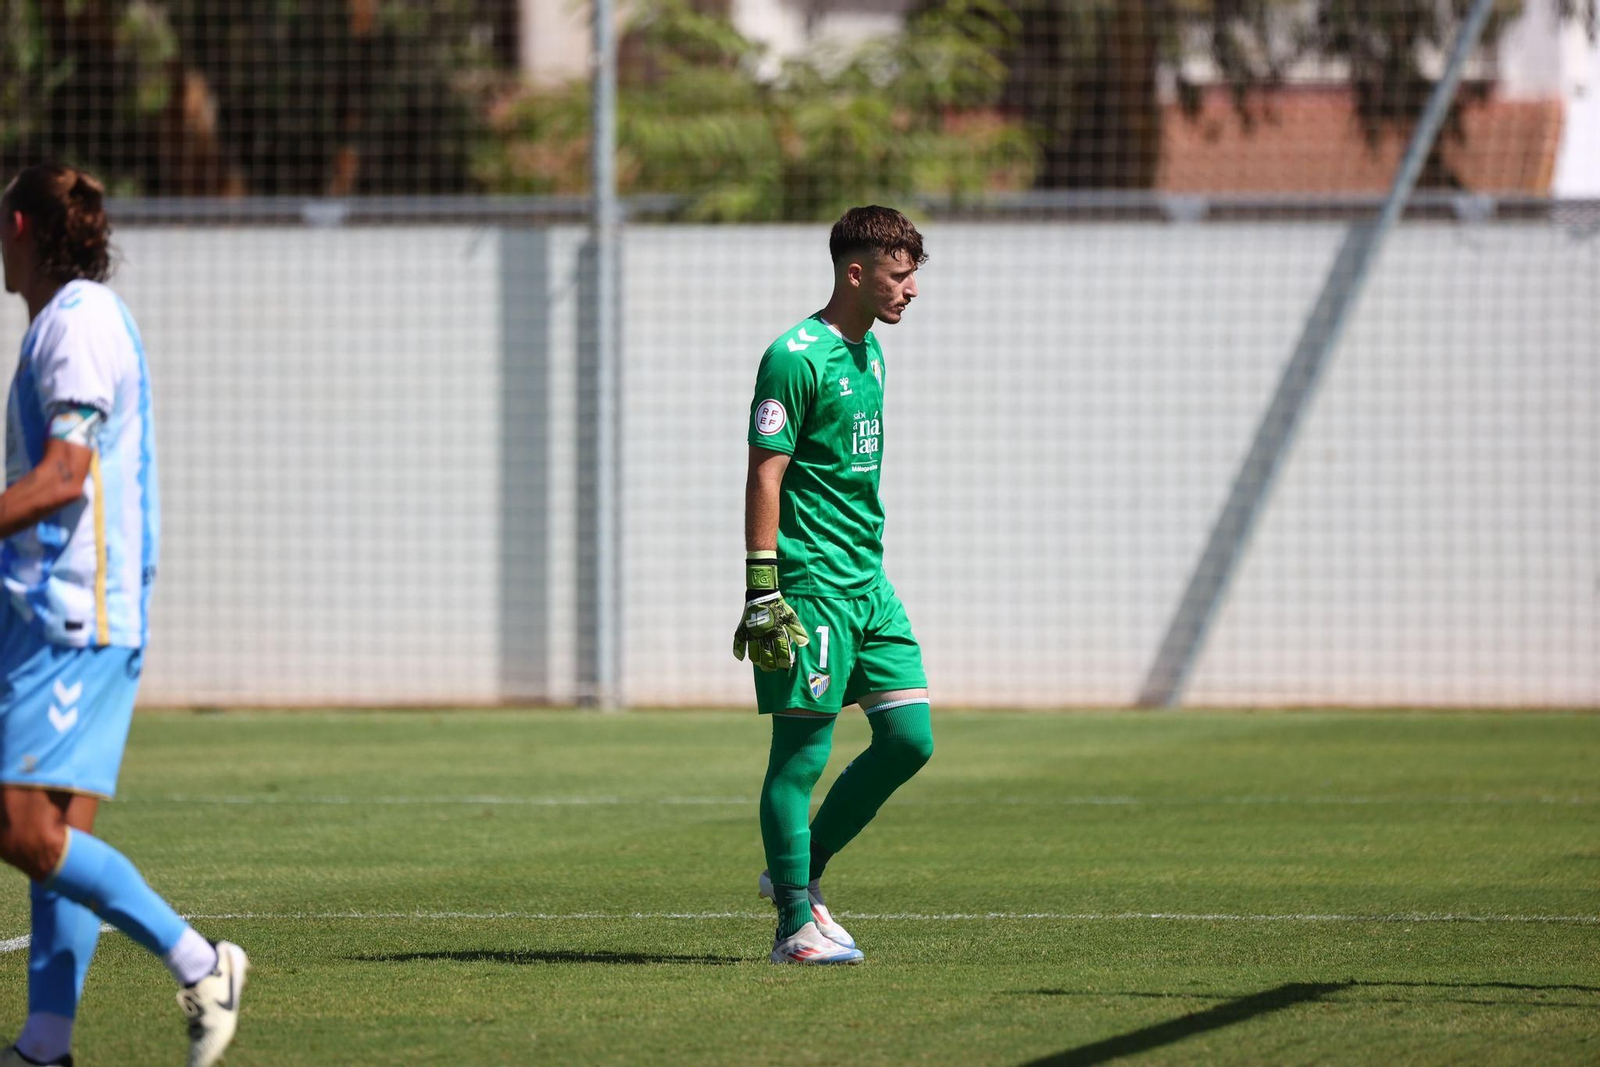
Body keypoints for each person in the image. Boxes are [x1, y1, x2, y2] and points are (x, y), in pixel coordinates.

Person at [0, 164, 247, 1067]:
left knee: (21, 827)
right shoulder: (61, 323)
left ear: (20, 224)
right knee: (56, 835)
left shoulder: (77, 324)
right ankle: (44, 1043)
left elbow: (67, 476)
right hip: (54, 611)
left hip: (75, 616)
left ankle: (201, 960)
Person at [733, 205, 935, 965]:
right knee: (801, 755)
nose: (911, 289)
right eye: (899, 273)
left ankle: (800, 868)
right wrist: (763, 586)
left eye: (913, 272)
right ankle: (793, 926)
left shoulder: (872, 354)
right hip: (811, 585)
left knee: (910, 738)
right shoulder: (794, 356)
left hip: (869, 584)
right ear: (856, 272)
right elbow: (765, 471)